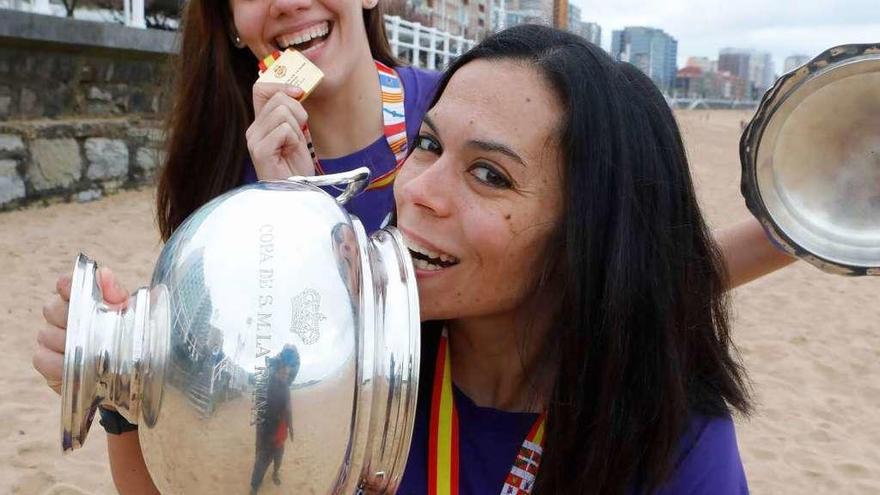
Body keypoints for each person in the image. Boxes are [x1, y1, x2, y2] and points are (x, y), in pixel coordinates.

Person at [33, 23, 795, 494]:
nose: (418, 190)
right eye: (428, 144)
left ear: (588, 232)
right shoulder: (349, 358)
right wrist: (121, 391)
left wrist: (794, 225)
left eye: (489, 174)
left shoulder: (669, 436)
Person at [250, 346, 300, 494]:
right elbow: (261, 408)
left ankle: (275, 472)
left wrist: (290, 428)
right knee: (262, 458)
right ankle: (254, 486)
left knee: (278, 456)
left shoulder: (285, 387)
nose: (286, 374)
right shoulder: (268, 383)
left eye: (288, 373)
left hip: (280, 432)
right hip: (268, 430)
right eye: (284, 372)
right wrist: (267, 432)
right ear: (277, 370)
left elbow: (288, 408)